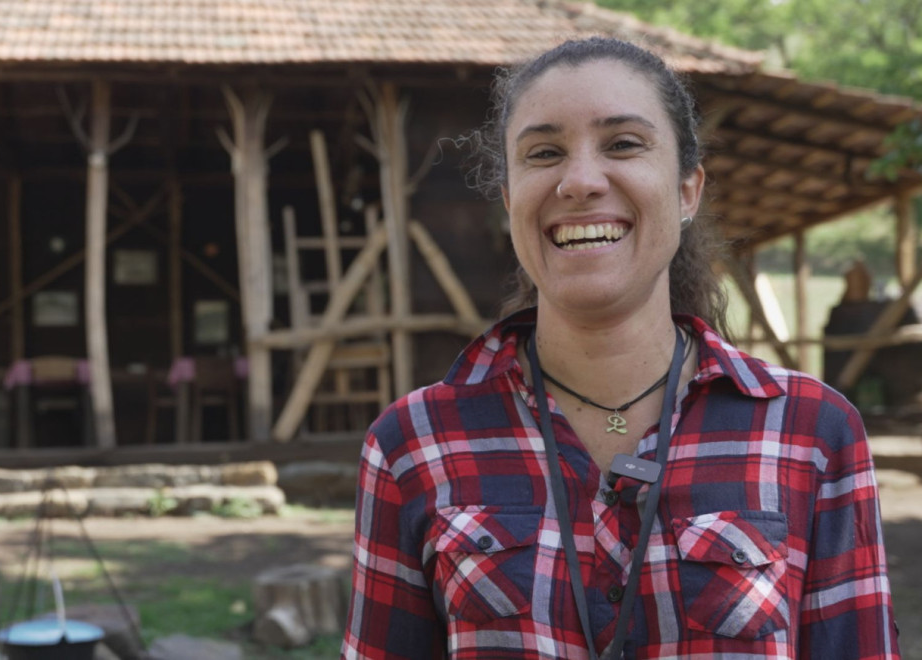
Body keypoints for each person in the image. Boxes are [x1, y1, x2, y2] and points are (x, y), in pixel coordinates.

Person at [341, 36, 900, 659]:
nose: (580, 181)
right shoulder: (413, 444)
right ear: (509, 200)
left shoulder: (812, 432)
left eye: (624, 144)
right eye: (544, 153)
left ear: (687, 191)